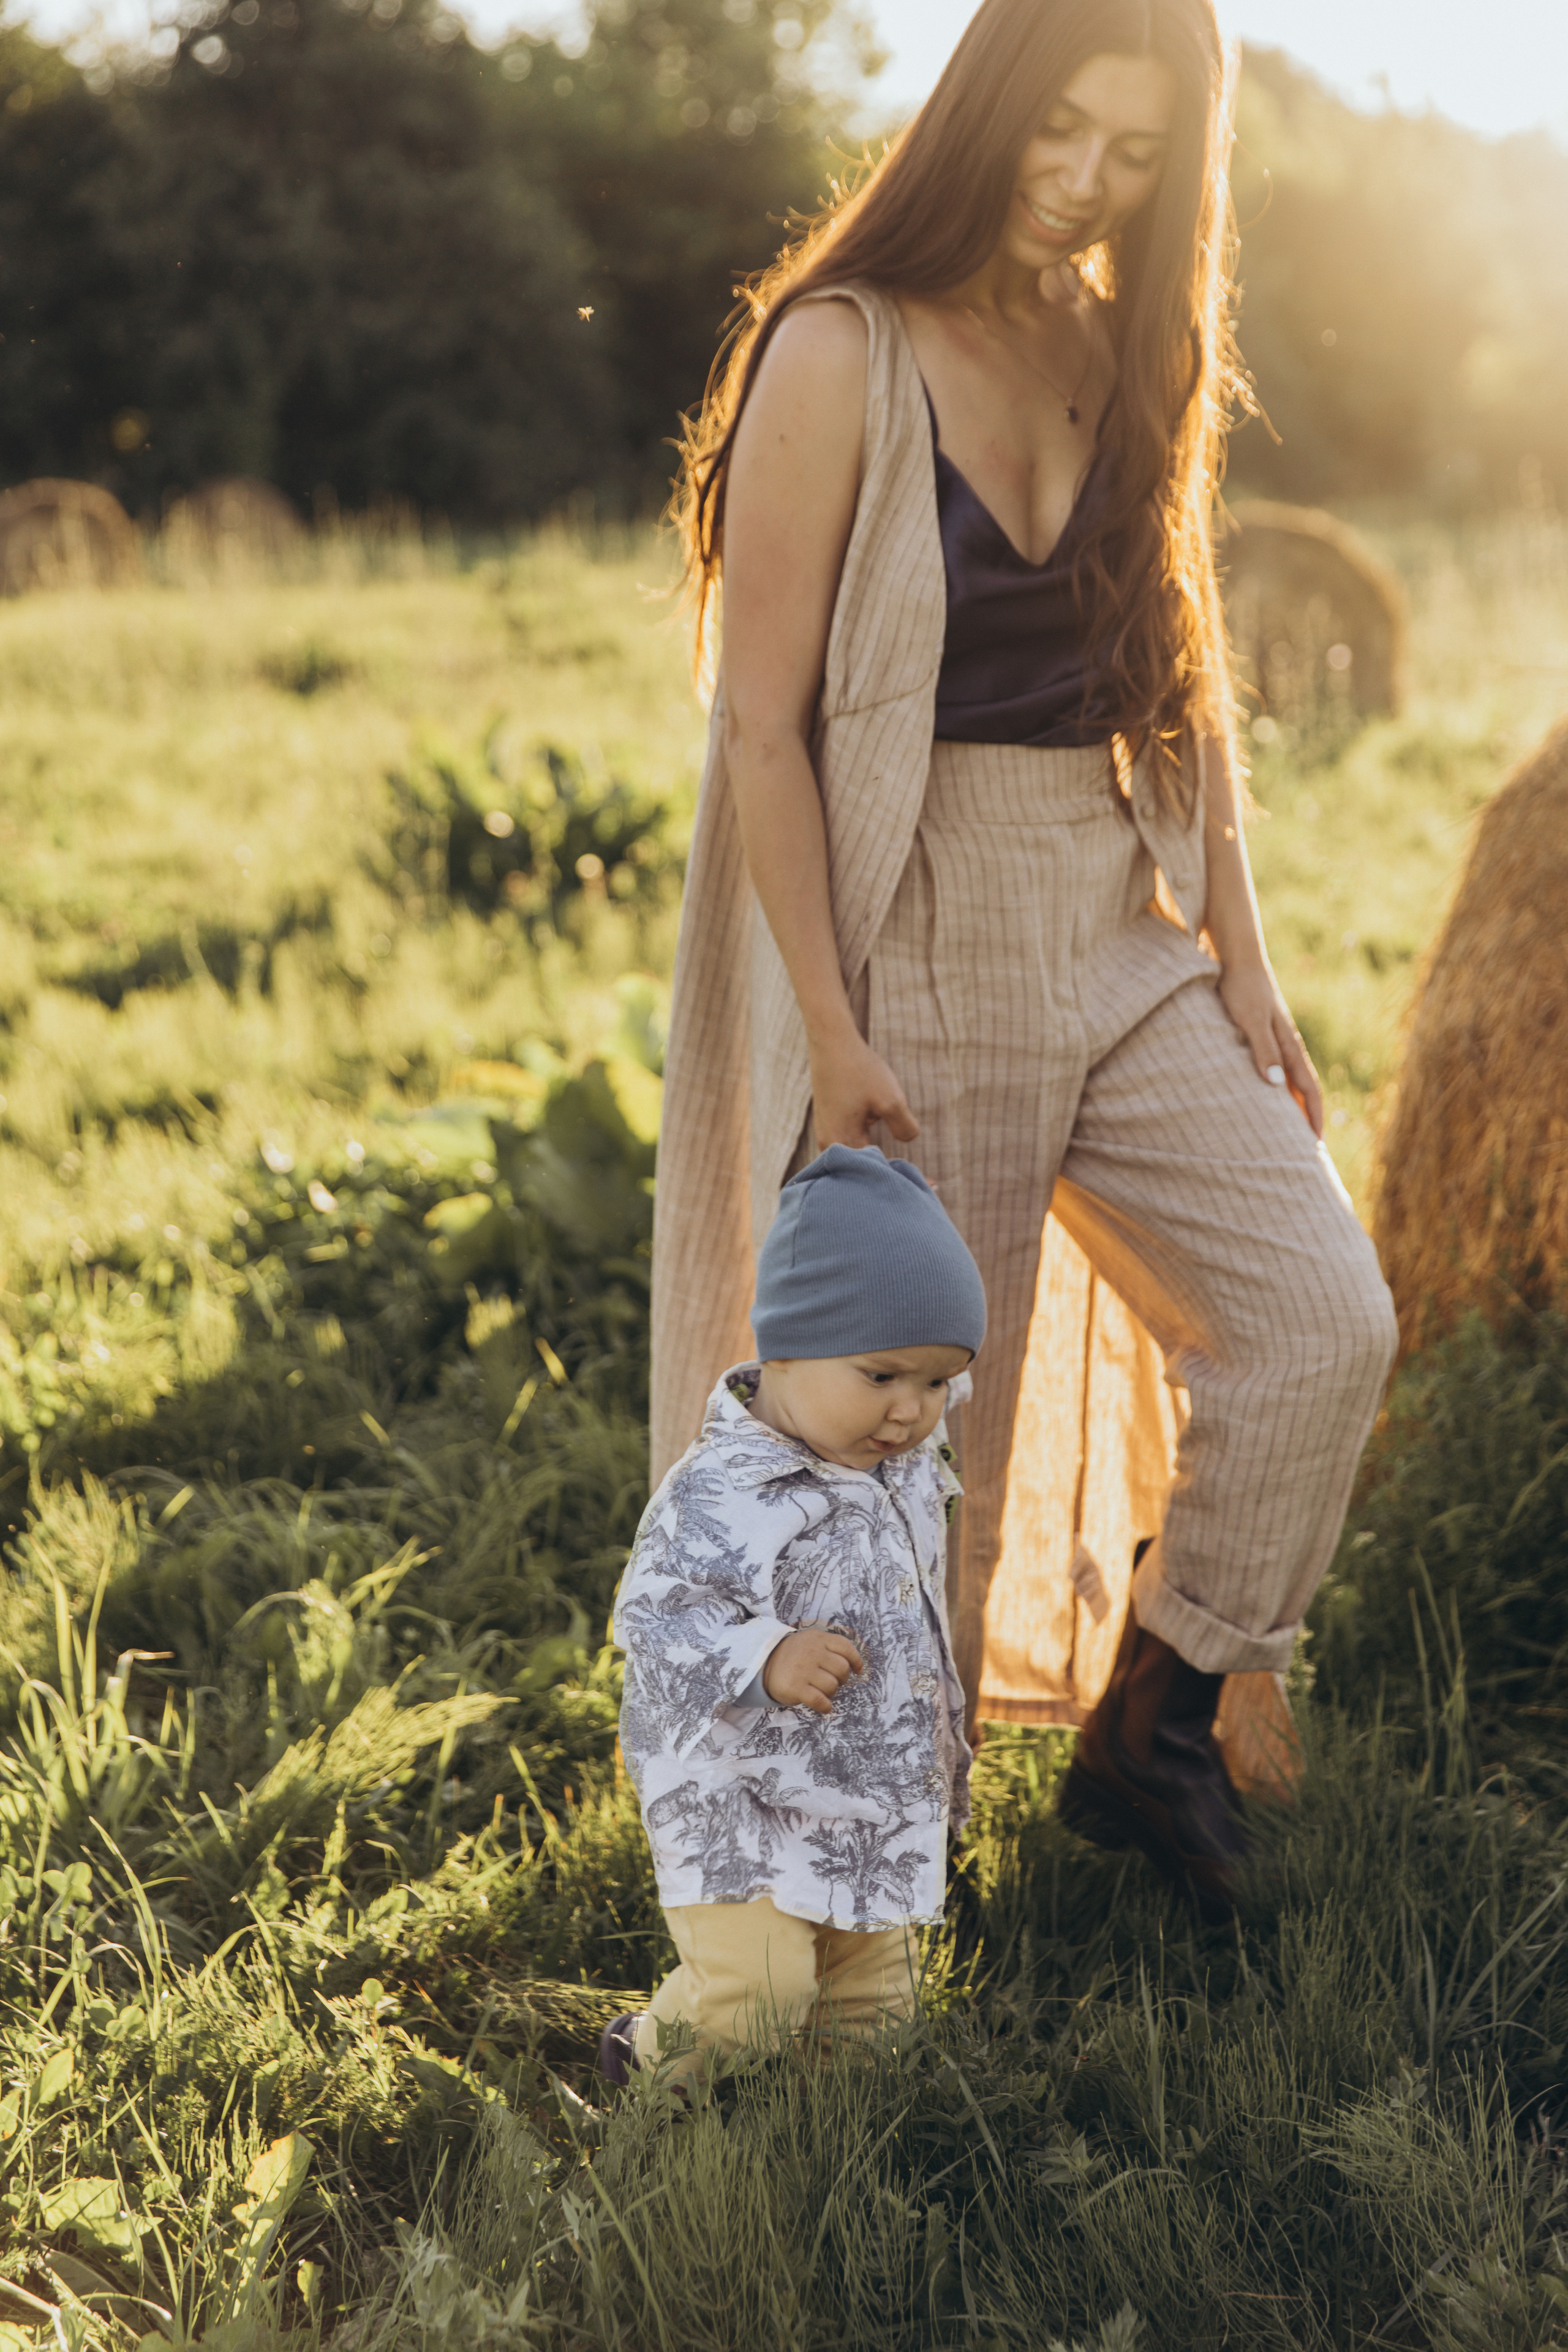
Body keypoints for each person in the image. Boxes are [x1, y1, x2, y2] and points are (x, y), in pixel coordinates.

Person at [649, 0, 1398, 1907]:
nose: (1082, 182)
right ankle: (869, 1859)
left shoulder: (1114, 339)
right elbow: (766, 729)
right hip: (914, 913)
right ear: (984, 107)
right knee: (918, 1441)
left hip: (1120, 905)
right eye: (1058, 131)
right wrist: (833, 1027)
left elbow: (1188, 659)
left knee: (1325, 1321)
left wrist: (1244, 949)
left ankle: (1154, 1728)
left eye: (1134, 155)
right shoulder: (841, 346)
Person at [601, 1145, 985, 2090]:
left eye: (937, 1384)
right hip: (738, 1787)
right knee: (755, 1996)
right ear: (785, 1346)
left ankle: (813, 2141)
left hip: (868, 1785)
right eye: (884, 1376)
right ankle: (641, 2069)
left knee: (870, 2025)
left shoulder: (896, 1462)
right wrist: (766, 1654)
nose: (911, 1412)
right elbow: (655, 1616)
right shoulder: (726, 1489)